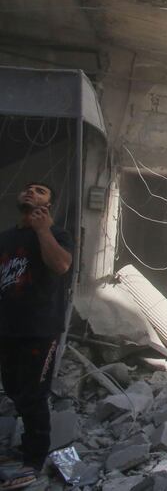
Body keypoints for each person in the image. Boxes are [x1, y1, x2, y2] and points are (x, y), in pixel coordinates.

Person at [0, 182, 73, 489]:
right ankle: (23, 451)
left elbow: (60, 265)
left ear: (50, 204)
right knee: (13, 388)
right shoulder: (6, 238)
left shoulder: (58, 236)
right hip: (8, 328)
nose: (31, 192)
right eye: (28, 189)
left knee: (34, 395)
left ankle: (34, 460)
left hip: (40, 330)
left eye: (41, 190)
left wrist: (43, 230)